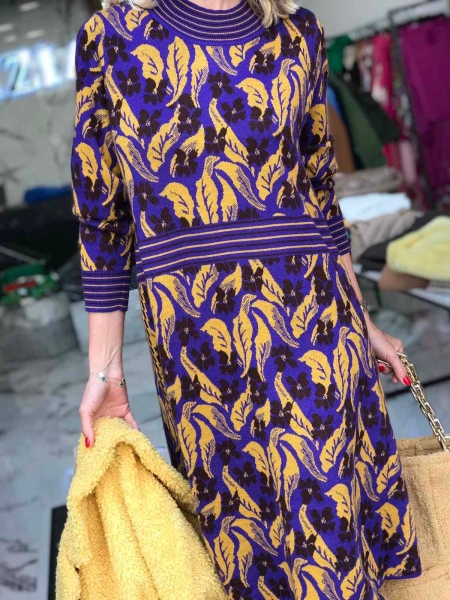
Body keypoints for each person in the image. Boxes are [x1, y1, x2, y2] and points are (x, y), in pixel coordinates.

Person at [71, 0, 422, 597]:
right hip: (200, 356)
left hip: (316, 329)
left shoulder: (298, 33)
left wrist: (364, 324)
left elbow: (319, 196)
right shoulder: (112, 37)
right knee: (245, 550)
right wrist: (104, 369)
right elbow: (102, 220)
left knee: (327, 531)